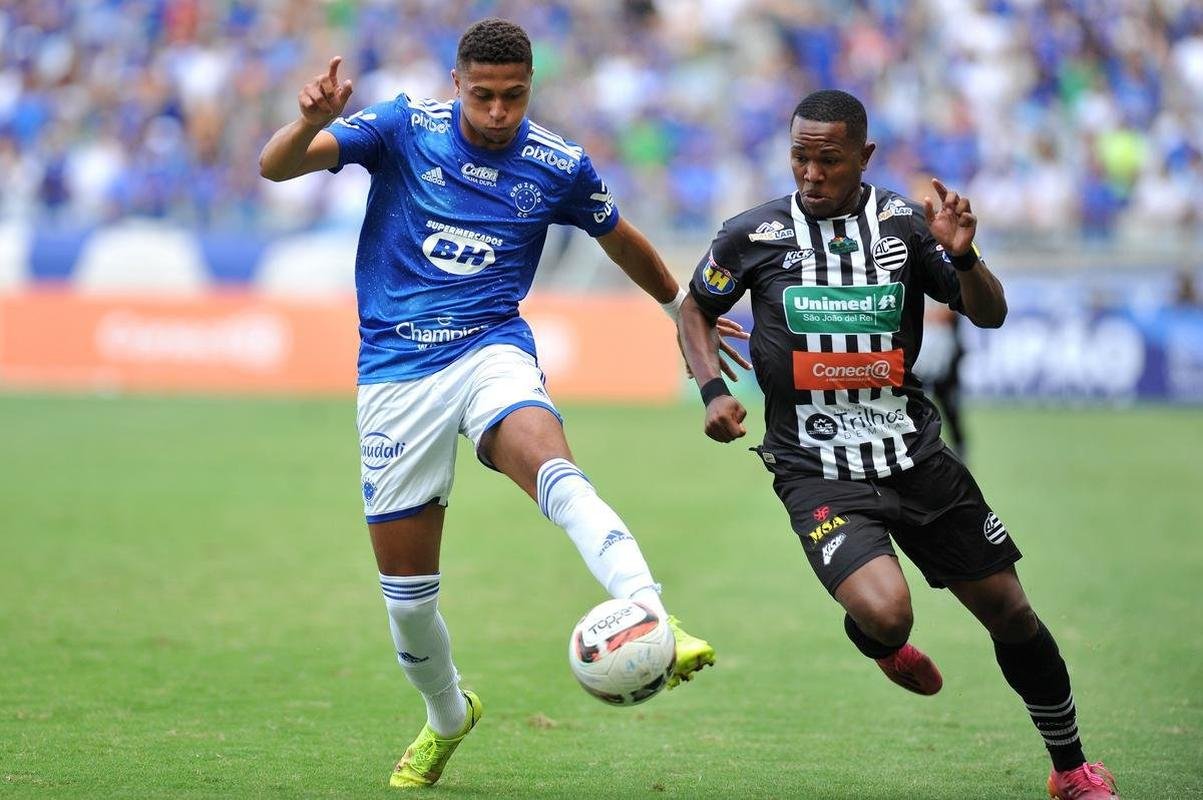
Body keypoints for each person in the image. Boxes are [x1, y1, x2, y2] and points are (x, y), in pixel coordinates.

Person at [258, 18, 748, 790]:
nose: (496, 113)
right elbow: (276, 166)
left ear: (529, 89)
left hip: (490, 348)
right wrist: (310, 123)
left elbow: (617, 238)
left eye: (512, 97)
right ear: (457, 85)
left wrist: (678, 306)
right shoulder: (401, 128)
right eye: (482, 96)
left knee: (554, 470)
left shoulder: (556, 163)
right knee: (408, 603)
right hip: (394, 374)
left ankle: (653, 613)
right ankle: (448, 714)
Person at [677, 90, 1119, 800]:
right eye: (799, 157)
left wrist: (965, 256)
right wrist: (709, 390)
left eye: (828, 159)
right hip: (814, 467)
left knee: (1010, 611)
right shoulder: (750, 234)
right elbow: (694, 305)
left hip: (914, 457)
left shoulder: (906, 227)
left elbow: (990, 314)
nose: (811, 174)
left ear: (864, 156)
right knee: (887, 612)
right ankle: (878, 642)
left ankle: (1070, 769)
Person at [912, 301, 968, 459]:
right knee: (918, 406)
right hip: (920, 357)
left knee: (950, 407)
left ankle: (960, 448)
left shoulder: (942, 285)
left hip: (945, 357)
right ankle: (919, 447)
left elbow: (950, 313)